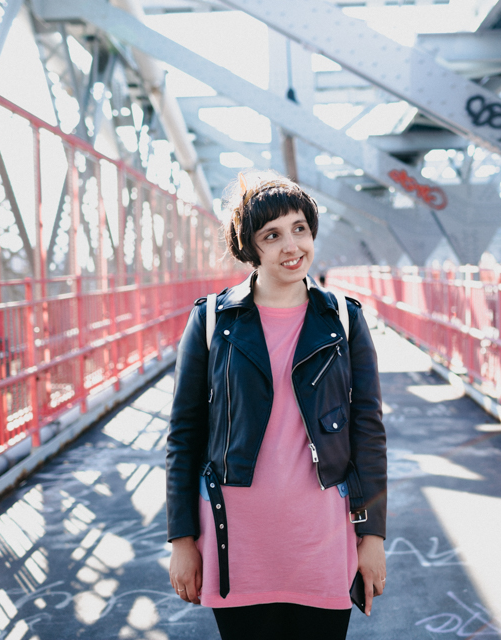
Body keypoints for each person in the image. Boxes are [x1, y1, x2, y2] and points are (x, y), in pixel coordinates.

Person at [165, 170, 387, 640]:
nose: (292, 246)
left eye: (300, 229)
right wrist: (182, 539)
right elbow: (184, 435)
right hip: (239, 541)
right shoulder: (211, 320)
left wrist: (373, 537)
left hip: (323, 538)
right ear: (251, 247)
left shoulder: (343, 318)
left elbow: (368, 431)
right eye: (273, 235)